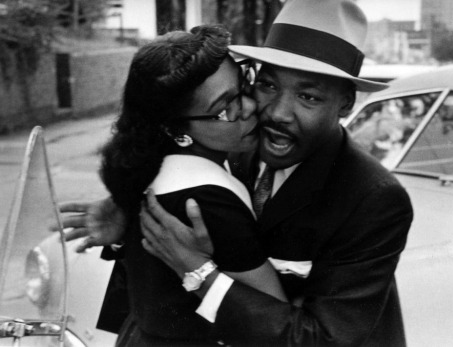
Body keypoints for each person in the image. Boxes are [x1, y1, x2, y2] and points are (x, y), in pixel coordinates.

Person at [60, 0, 413, 345]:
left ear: (346, 103)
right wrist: (131, 216)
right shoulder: (233, 146)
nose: (276, 113)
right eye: (268, 85)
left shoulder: (373, 198)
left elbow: (321, 339)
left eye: (308, 97)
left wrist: (200, 272)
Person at [92, 24, 287, 346]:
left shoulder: (150, 172)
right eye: (225, 108)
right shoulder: (207, 201)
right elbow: (273, 317)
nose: (250, 107)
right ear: (176, 130)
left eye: (244, 85)